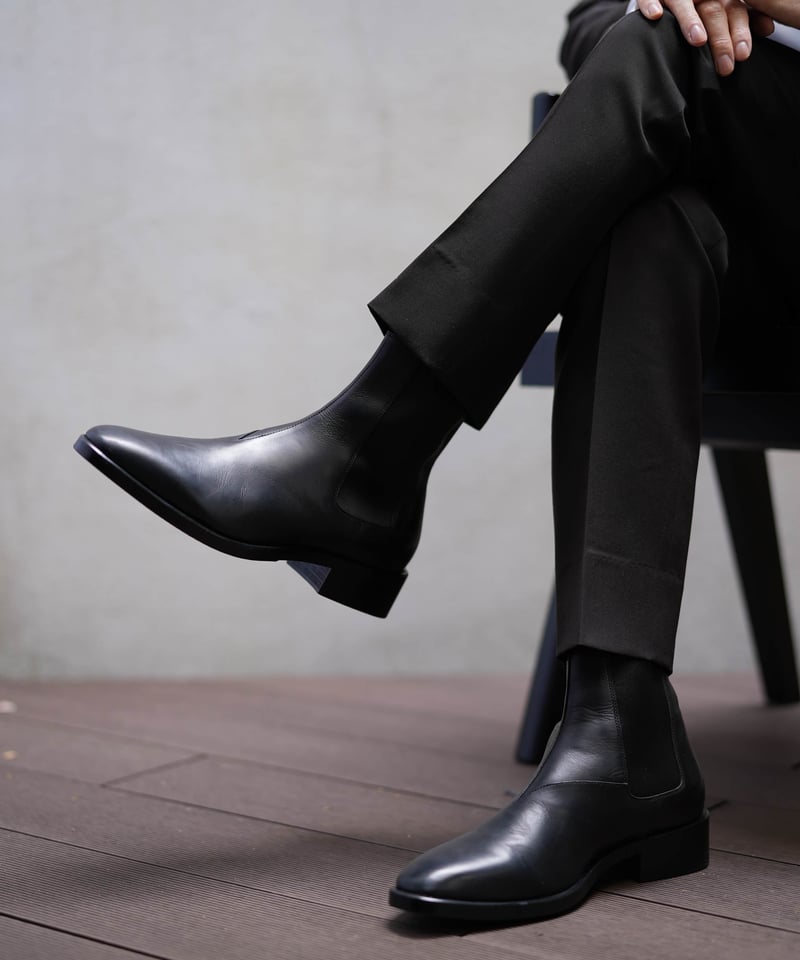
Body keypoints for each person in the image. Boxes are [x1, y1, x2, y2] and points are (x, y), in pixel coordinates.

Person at [74, 0, 800, 923]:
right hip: (745, 251)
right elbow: (588, 27)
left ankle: (366, 462)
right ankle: (618, 736)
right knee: (647, 206)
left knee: (668, 51)